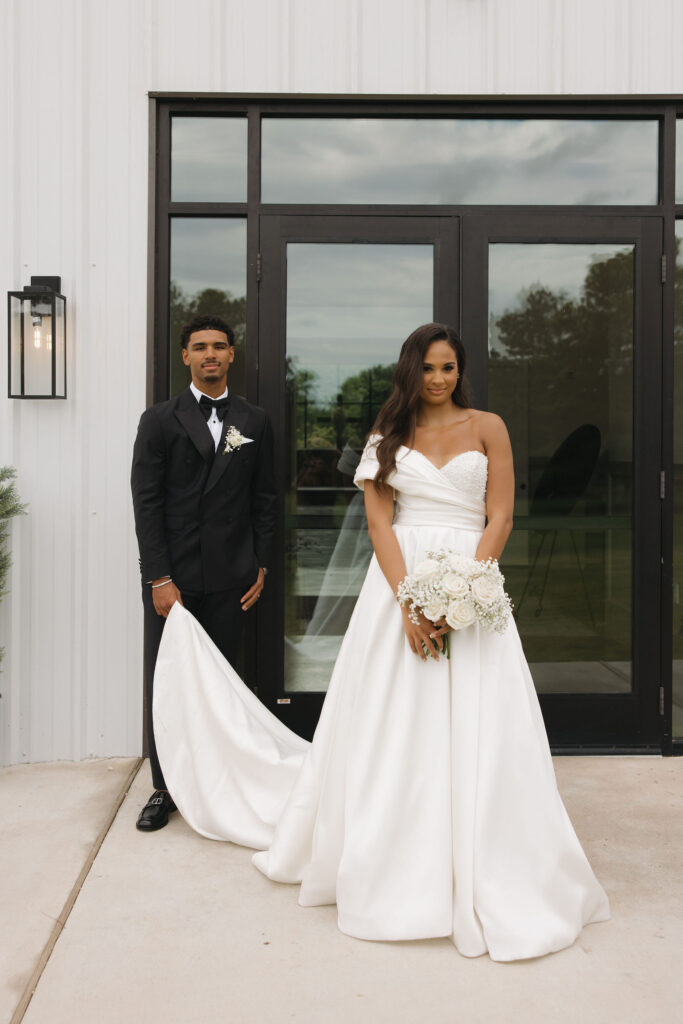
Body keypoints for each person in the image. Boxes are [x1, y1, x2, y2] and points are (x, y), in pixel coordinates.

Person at [152, 322, 610, 960]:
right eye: (427, 368)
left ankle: (488, 852)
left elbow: (500, 513)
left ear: (460, 371)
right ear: (410, 372)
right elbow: (377, 518)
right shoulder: (388, 435)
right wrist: (412, 603)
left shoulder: (489, 426)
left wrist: (467, 592)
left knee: (484, 720)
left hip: (471, 577)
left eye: (448, 368)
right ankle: (396, 853)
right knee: (395, 721)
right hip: (400, 583)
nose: (439, 379)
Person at [131, 313, 275, 832]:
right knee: (169, 684)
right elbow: (146, 504)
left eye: (219, 346)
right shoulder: (158, 421)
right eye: (199, 346)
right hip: (176, 582)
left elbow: (264, 500)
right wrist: (158, 578)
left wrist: (259, 562)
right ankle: (164, 788)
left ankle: (226, 781)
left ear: (231, 354)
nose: (210, 354)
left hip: (233, 578)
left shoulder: (254, 421)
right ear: (185, 356)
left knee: (227, 684)